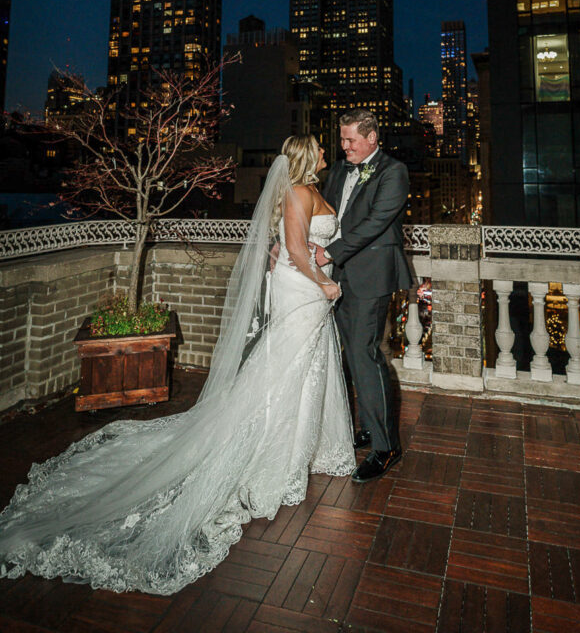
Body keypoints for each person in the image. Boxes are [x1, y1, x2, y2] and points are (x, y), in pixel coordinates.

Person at [0, 136, 354, 596]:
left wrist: (316, 260)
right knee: (286, 368)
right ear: (308, 156)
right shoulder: (299, 192)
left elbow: (297, 244)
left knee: (305, 368)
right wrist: (324, 282)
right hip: (303, 289)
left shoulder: (310, 190)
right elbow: (296, 248)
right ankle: (277, 453)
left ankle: (306, 446)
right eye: (321, 150)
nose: (327, 154)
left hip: (302, 286)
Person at [314, 108, 412, 483]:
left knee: (363, 353)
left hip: (371, 277)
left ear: (372, 138)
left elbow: (375, 223)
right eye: (341, 139)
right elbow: (323, 211)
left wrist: (330, 252)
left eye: (351, 140)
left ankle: (386, 448)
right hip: (338, 278)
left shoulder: (393, 171)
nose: (344, 146)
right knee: (348, 357)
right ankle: (371, 425)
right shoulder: (340, 170)